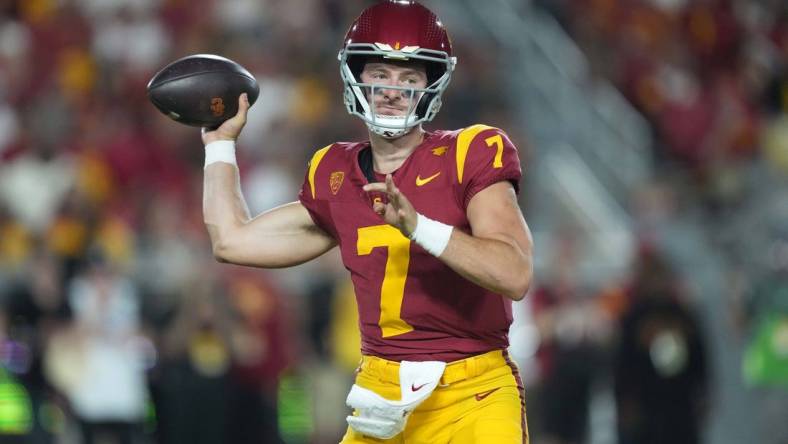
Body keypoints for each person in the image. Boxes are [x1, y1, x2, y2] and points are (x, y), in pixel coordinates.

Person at [200, 1, 533, 443]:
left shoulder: (470, 152)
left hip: (472, 394)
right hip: (379, 394)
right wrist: (220, 147)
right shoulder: (334, 172)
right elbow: (232, 242)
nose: (393, 89)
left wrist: (419, 226)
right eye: (381, 74)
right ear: (356, 76)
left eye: (409, 77)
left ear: (431, 85)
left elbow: (515, 273)